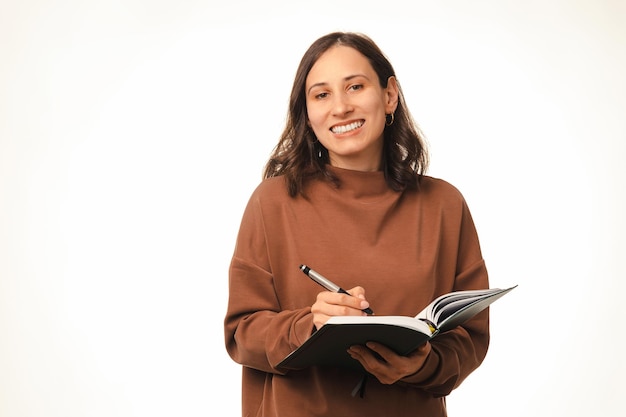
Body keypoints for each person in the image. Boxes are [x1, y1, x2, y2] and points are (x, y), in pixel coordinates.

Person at [224, 31, 490, 417]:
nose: (341, 107)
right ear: (307, 113)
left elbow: (471, 337)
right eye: (321, 94)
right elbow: (240, 333)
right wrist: (311, 324)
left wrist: (422, 365)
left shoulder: (444, 205)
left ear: (389, 95)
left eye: (355, 86)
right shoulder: (272, 202)